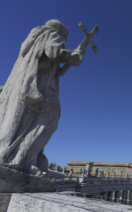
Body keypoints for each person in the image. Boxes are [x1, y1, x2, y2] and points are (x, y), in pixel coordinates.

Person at [0, 19, 85, 175]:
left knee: (17, 125)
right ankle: (21, 161)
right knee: (50, 120)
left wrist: (67, 62)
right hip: (39, 92)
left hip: (23, 89)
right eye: (64, 40)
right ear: (61, 33)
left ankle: (18, 159)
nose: (63, 42)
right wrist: (75, 56)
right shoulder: (52, 34)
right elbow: (55, 53)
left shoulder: (33, 41)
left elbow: (52, 68)